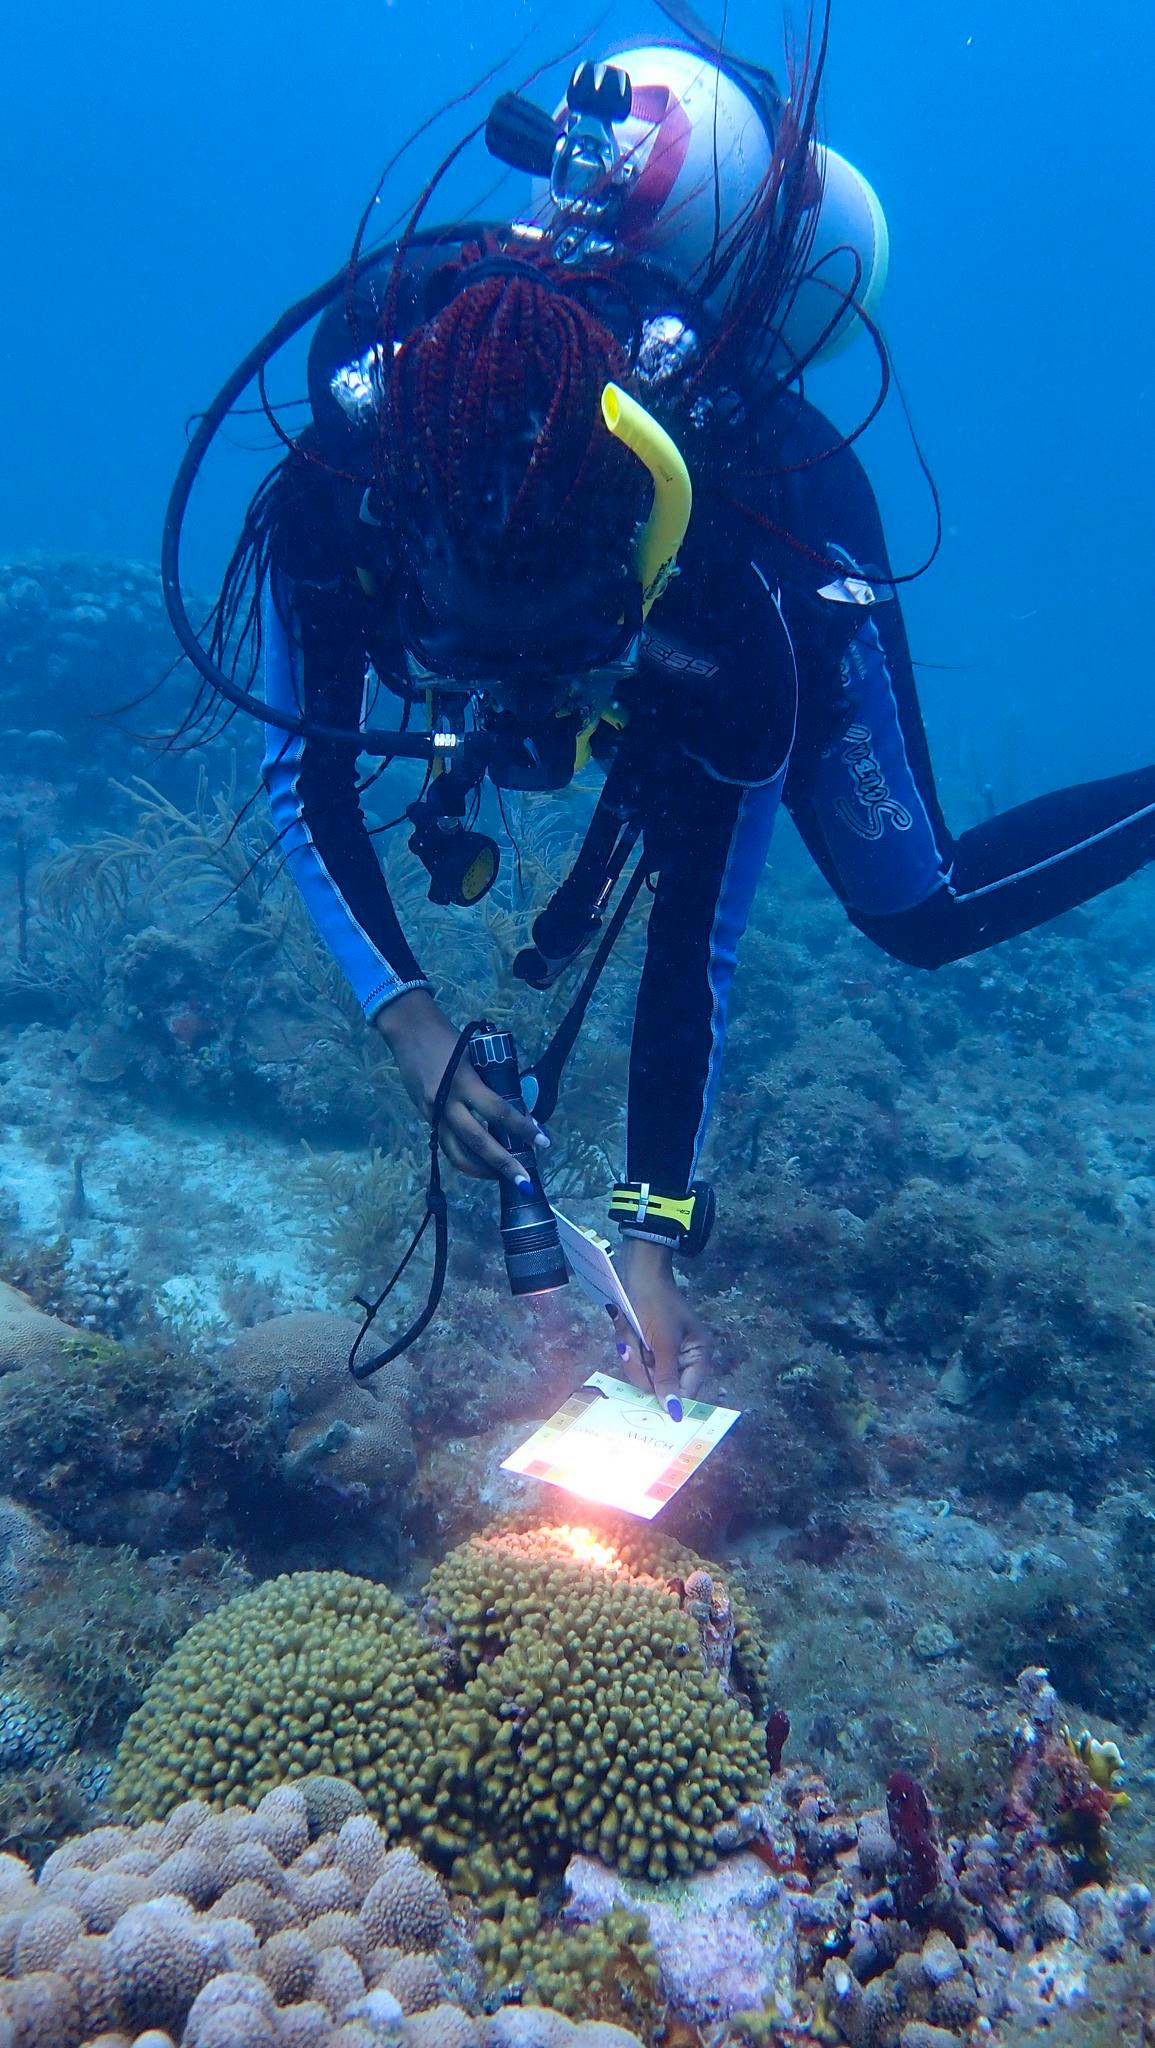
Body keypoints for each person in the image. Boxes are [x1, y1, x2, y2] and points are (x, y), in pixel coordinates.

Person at [201, 21, 1155, 1413]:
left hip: (757, 551)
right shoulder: (348, 482)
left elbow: (694, 932)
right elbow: (306, 778)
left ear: (644, 582)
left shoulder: (737, 585)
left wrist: (652, 1236)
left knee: (923, 910)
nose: (535, 701)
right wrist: (408, 1024)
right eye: (481, 656)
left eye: (573, 661)